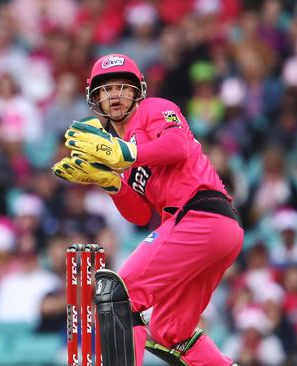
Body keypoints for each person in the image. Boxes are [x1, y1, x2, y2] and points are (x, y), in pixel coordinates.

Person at [52, 54, 243, 365]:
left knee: (118, 294)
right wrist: (112, 183)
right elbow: (140, 215)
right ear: (95, 98)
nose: (114, 95)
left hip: (201, 216)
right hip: (214, 231)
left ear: (137, 92)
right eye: (105, 89)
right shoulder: (120, 149)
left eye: (122, 87)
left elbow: (178, 147)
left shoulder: (154, 109)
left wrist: (125, 154)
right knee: (169, 333)